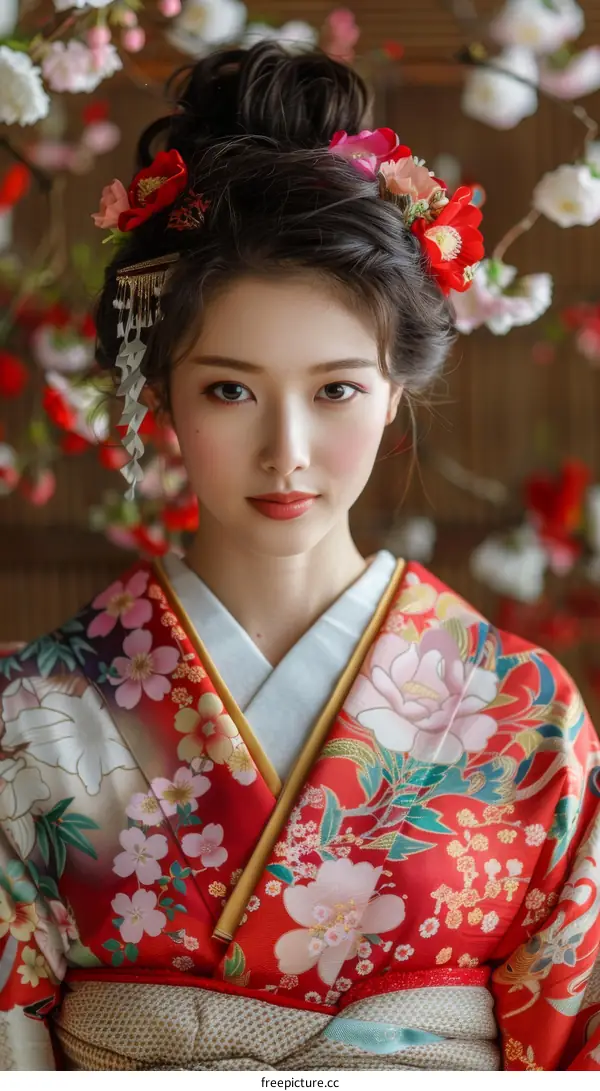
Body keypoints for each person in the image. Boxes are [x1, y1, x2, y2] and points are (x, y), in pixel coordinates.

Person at [0, 43, 599, 1073]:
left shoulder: (523, 712)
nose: (288, 450)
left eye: (337, 390)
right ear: (162, 394)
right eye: (230, 388)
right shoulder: (33, 713)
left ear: (396, 389)